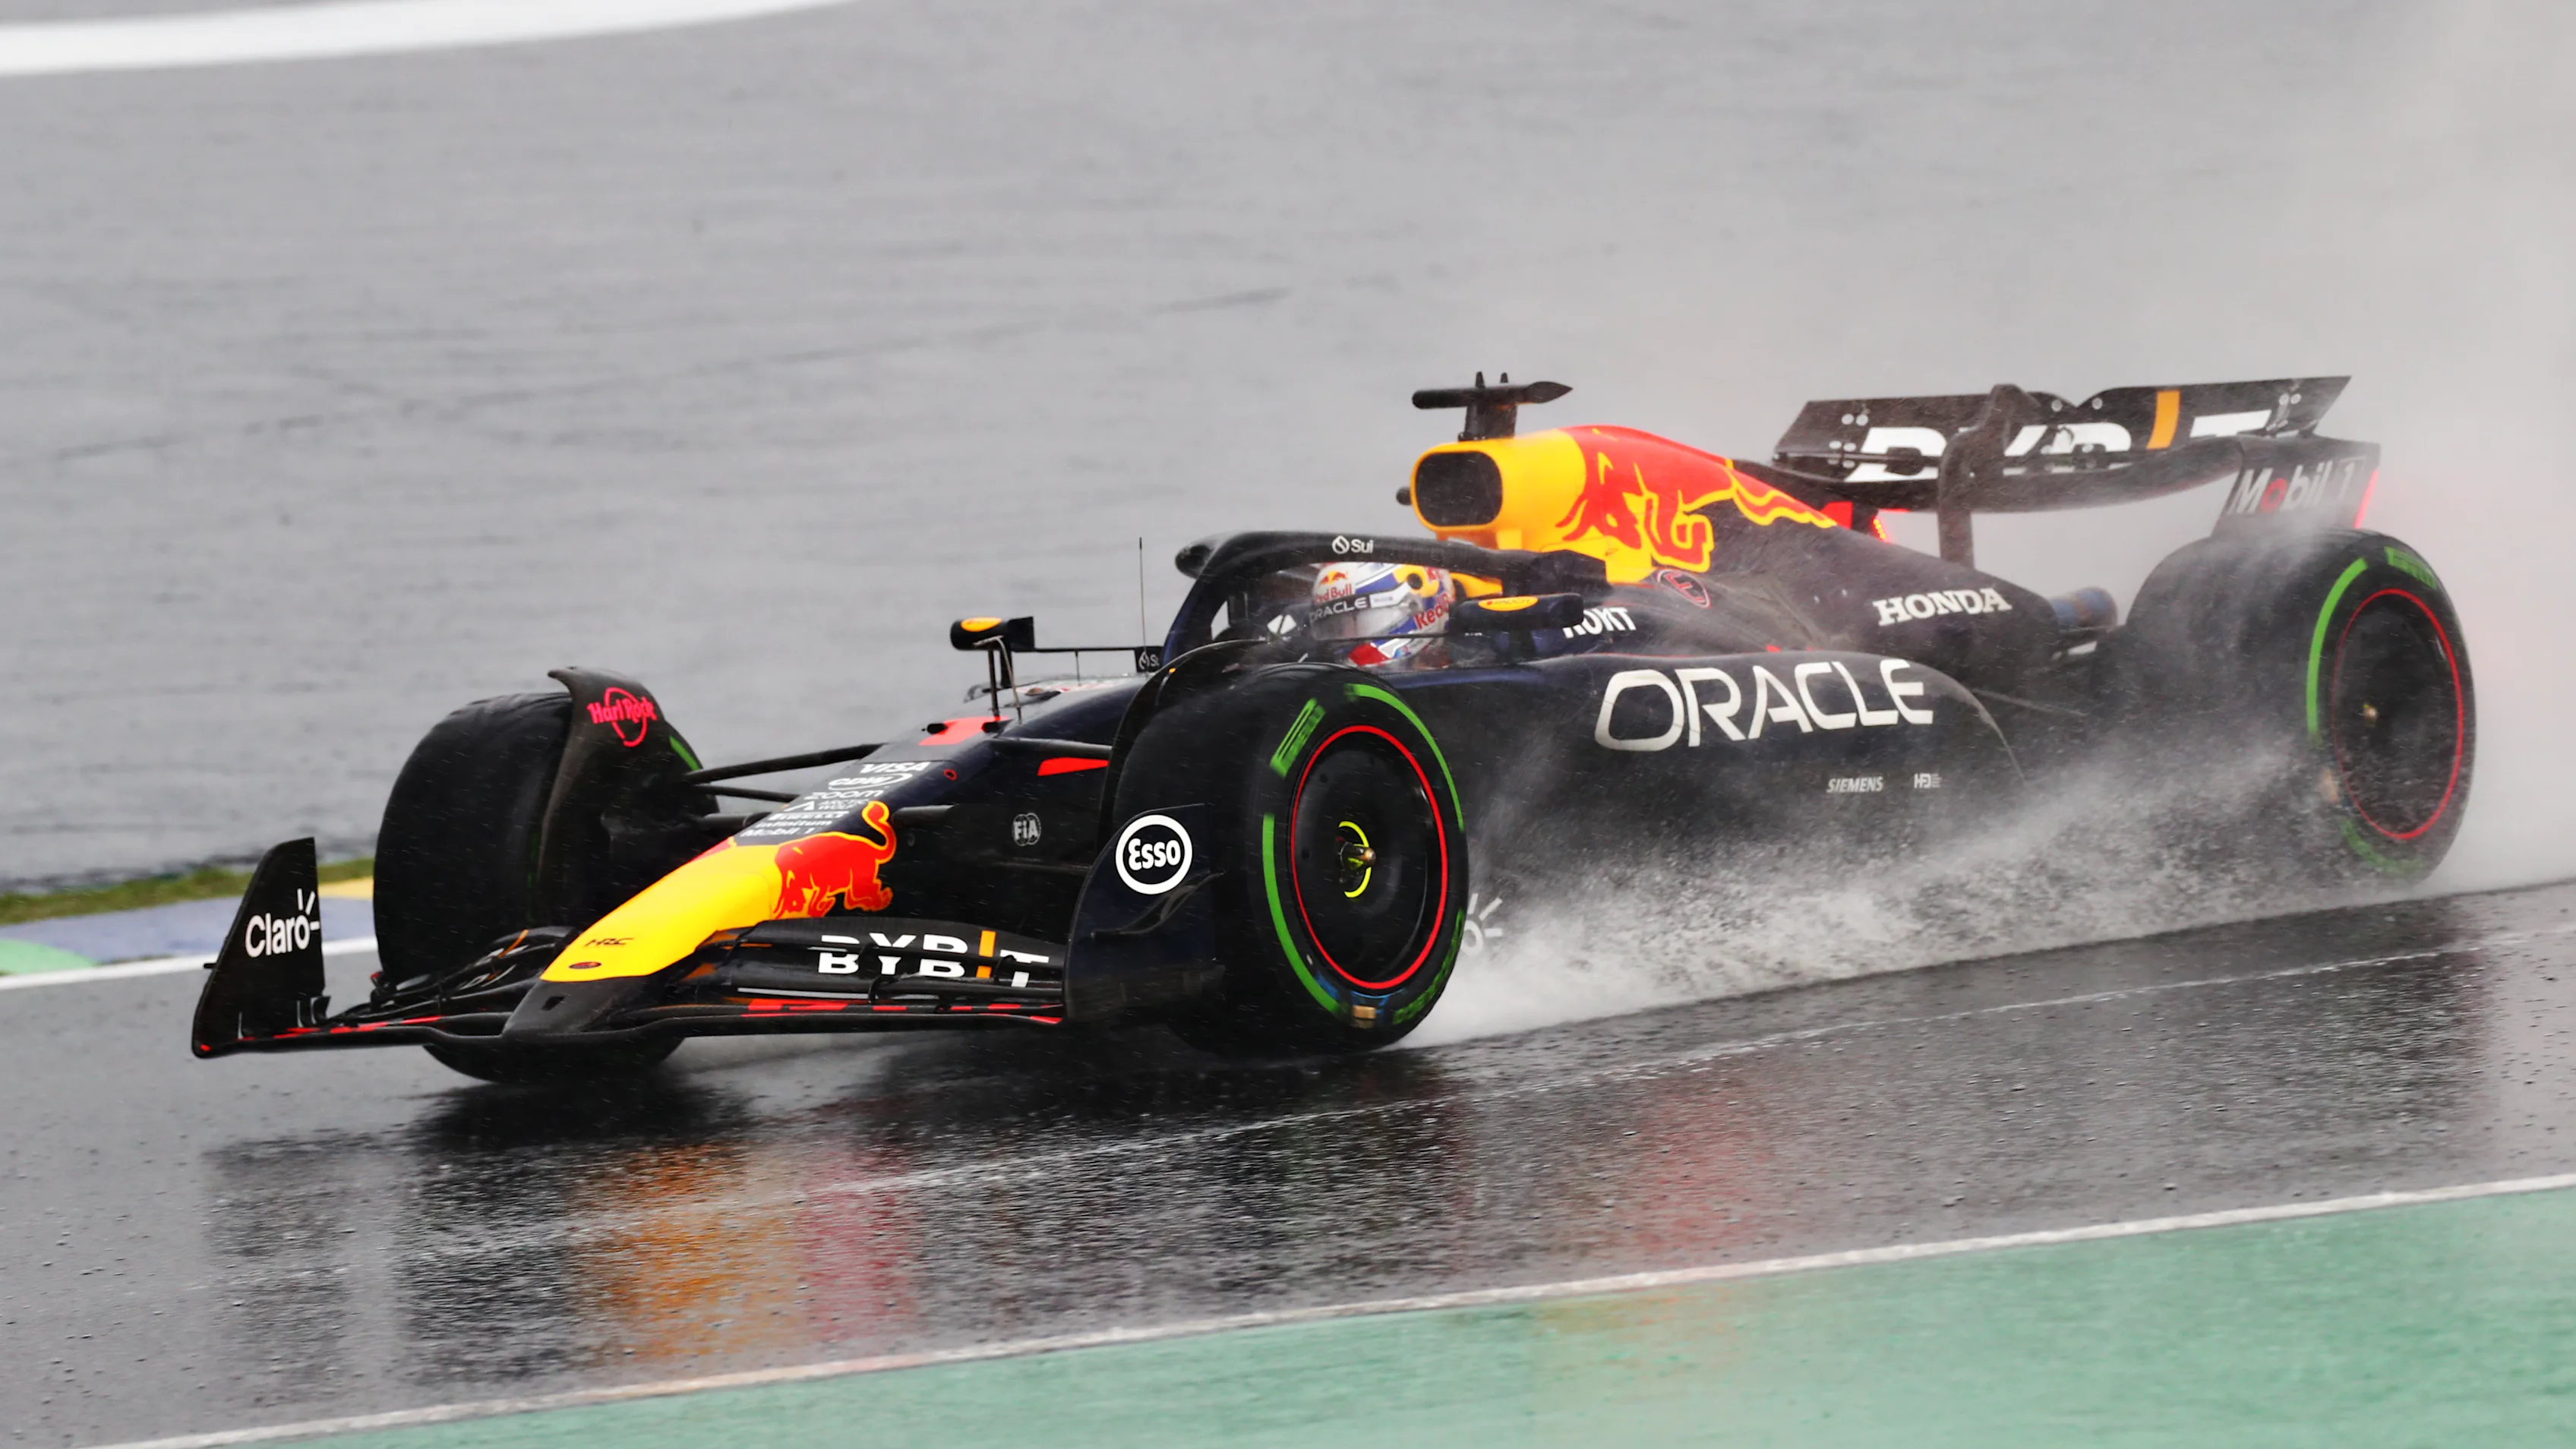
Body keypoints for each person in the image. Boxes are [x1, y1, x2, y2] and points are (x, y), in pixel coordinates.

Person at [1309, 560, 1451, 668]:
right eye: (1335, 628)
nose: (1345, 638)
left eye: (1362, 622)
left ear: (1416, 606)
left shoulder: (1466, 671)